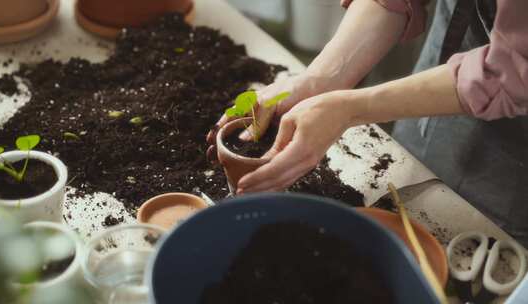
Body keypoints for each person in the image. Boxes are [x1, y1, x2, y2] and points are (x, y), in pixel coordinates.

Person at [207, 0, 528, 245]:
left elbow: (514, 69)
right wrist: (319, 79)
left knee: (473, 233)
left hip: (516, 139)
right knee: (409, 177)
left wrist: (352, 109)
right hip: (458, 50)